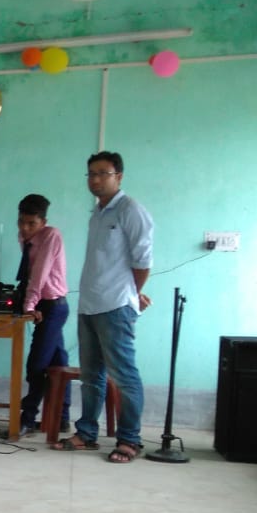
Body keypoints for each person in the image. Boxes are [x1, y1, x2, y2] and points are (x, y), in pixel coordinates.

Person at [52, 151, 152, 463]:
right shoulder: (97, 213)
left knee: (124, 375)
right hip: (89, 305)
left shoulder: (130, 210)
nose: (95, 179)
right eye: (91, 174)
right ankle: (86, 434)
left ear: (118, 176)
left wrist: (132, 293)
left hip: (116, 306)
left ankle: (129, 440)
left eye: (103, 173)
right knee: (91, 375)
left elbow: (143, 261)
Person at [14, 193, 70, 436]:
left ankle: (27, 418)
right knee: (58, 363)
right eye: (21, 222)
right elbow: (28, 273)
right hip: (41, 304)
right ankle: (62, 419)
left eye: (32, 224)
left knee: (36, 365)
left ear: (43, 222)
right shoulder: (25, 238)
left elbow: (39, 274)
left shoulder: (51, 236)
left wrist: (29, 306)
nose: (25, 228)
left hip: (53, 306)